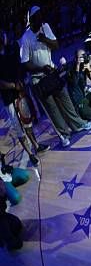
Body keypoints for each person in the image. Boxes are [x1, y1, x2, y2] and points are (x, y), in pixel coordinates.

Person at [20, 6, 91, 147]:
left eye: (41, 17)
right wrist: (41, 68)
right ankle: (63, 135)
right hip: (39, 78)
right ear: (32, 19)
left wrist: (44, 39)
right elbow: (24, 63)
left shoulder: (45, 27)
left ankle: (78, 125)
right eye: (37, 18)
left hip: (52, 72)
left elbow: (56, 45)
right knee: (53, 109)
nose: (40, 20)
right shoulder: (26, 38)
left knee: (65, 99)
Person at [0, 30, 49, 165]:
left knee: (27, 122)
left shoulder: (11, 51)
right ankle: (30, 154)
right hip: (9, 99)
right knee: (18, 128)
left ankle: (37, 146)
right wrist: (13, 85)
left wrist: (21, 80)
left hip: (19, 94)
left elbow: (19, 66)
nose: (4, 37)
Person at [63, 50, 91, 121]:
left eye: (84, 56)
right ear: (76, 59)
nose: (83, 58)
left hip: (85, 92)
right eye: (80, 57)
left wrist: (89, 69)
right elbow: (74, 83)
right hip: (78, 97)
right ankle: (80, 110)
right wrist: (78, 66)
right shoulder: (70, 68)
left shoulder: (85, 64)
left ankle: (87, 107)